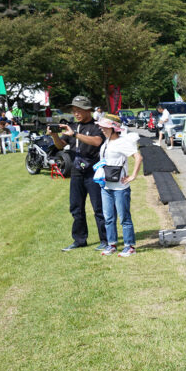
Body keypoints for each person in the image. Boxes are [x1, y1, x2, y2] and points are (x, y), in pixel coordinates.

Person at [50, 95, 106, 251]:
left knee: (99, 208)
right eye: (74, 110)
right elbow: (61, 145)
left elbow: (97, 141)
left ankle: (106, 240)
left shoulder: (97, 126)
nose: (76, 113)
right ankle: (80, 240)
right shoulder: (72, 126)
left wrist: (75, 135)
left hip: (94, 173)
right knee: (76, 207)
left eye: (79, 110)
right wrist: (54, 135)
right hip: (76, 172)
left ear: (88, 110)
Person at [96, 115, 142, 257]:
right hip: (106, 186)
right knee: (108, 217)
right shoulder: (106, 142)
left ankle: (129, 246)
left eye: (104, 127)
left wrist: (133, 176)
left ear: (113, 128)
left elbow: (138, 157)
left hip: (120, 187)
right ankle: (112, 244)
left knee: (124, 217)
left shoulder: (123, 143)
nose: (101, 129)